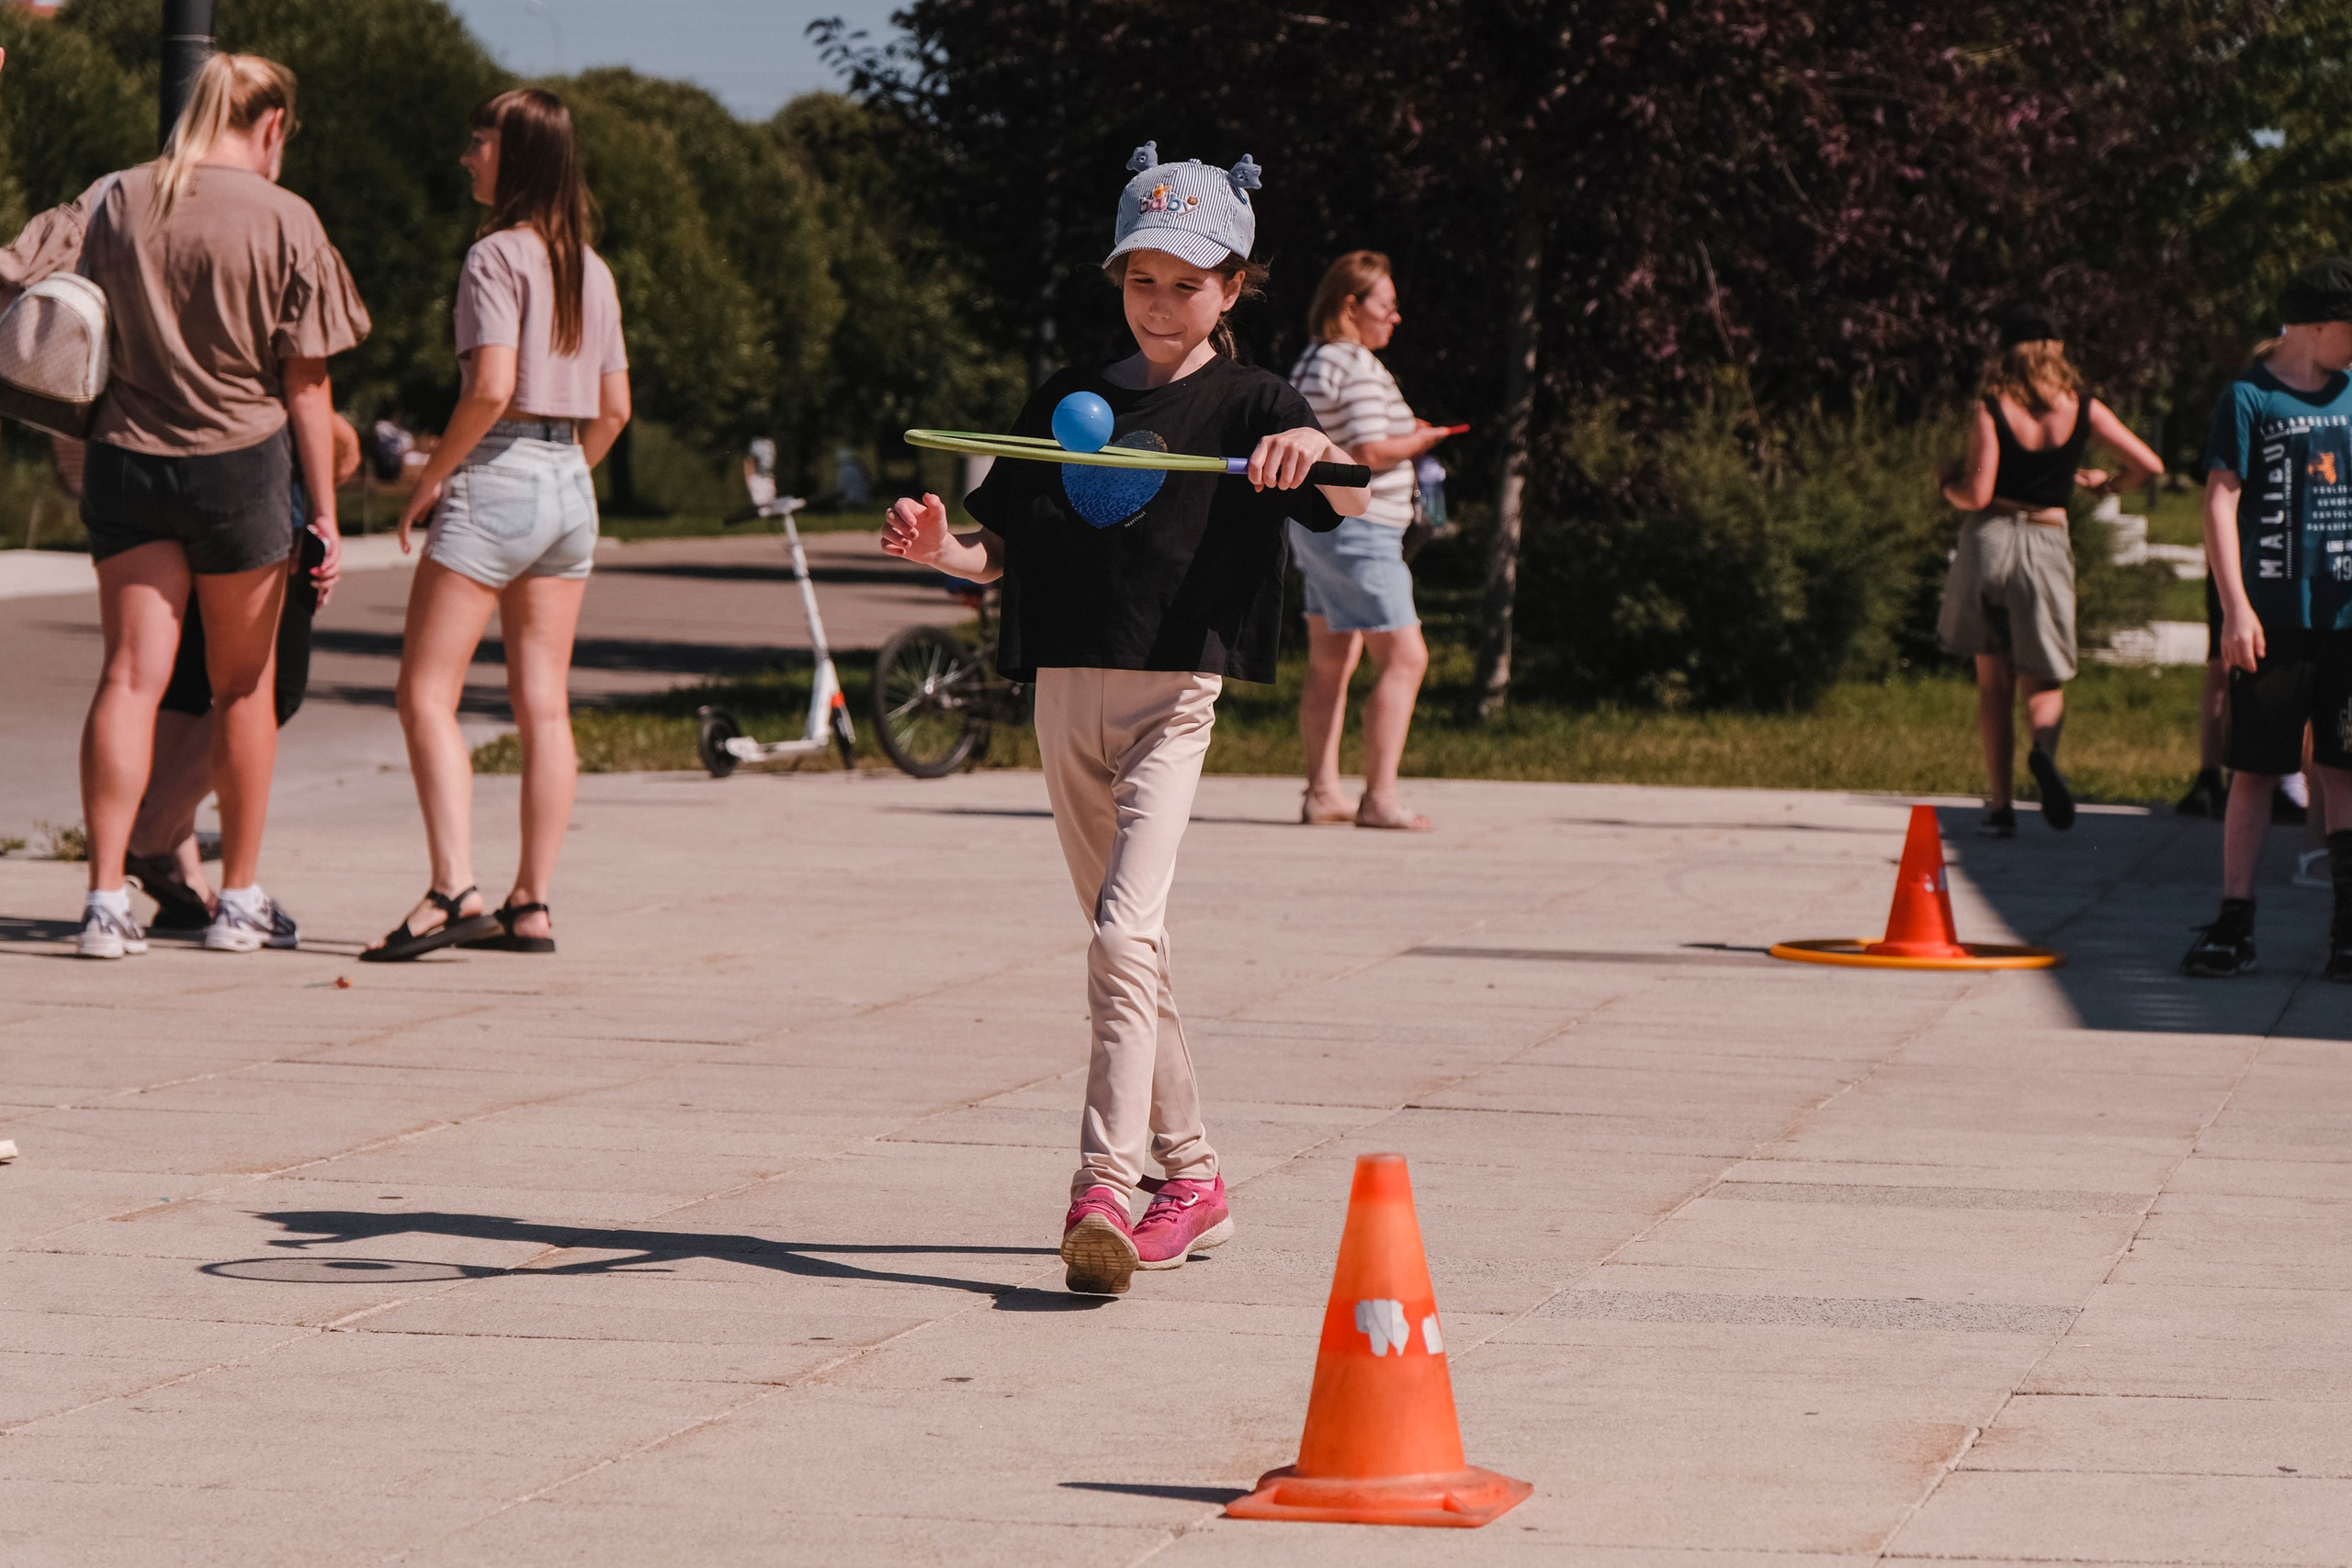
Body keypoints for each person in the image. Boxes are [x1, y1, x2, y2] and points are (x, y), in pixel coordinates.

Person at [877, 143, 1369, 1295]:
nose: (1159, 303)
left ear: (1232, 288)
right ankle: (1193, 1177)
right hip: (1064, 692)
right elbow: (998, 550)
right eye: (1141, 279)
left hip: (1172, 694)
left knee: (1119, 935)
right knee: (1128, 949)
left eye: (1186, 284)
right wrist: (938, 549)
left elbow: (1345, 496)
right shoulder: (1066, 398)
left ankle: (1103, 1185)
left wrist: (1309, 448)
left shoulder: (1253, 401)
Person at [20, 54, 368, 959]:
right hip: (240, 469)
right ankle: (238, 900)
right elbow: (307, 384)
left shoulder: (114, 196)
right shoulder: (287, 218)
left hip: (126, 459)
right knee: (242, 687)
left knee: (129, 678)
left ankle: (104, 902)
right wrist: (326, 514)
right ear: (272, 125)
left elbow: (15, 270)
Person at [360, 88, 629, 964]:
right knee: (544, 705)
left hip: (498, 470)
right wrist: (561, 476)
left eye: (479, 140)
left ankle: (452, 888)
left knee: (425, 693)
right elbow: (615, 410)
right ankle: (531, 903)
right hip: (569, 482)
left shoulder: (493, 256)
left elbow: (491, 386)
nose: (467, 155)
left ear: (517, 155)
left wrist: (432, 477)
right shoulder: (592, 268)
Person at [125, 413, 363, 934]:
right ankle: (150, 836)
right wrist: (324, 512)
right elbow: (309, 400)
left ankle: (180, 877)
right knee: (267, 686)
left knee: (186, 681)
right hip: (252, 482)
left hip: (147, 470)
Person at [2182, 259, 2352, 980]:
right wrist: (2235, 606)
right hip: (2271, 621)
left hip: (2345, 623)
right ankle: (2235, 921)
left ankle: (2347, 931)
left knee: (2343, 769)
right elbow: (2220, 500)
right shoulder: (2249, 398)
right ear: (2315, 325)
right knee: (2255, 769)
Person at [1936, 304, 2163, 838]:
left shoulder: (1992, 407)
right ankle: (2042, 751)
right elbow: (2148, 465)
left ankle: (2000, 807)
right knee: (2043, 677)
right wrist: (2108, 483)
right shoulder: (2082, 407)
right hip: (2046, 540)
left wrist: (1947, 484)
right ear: (2057, 349)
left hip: (1990, 540)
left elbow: (1978, 494)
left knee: (1993, 682)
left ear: (2005, 352)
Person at [1288, 251, 1452, 830]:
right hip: (1362, 528)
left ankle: (1322, 792)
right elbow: (1367, 450)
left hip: (1318, 526)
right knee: (1406, 657)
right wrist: (1422, 439)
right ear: (1352, 306)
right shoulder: (1355, 363)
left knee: (1332, 657)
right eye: (1388, 305)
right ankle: (1380, 797)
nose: (1396, 317)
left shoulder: (1315, 359)